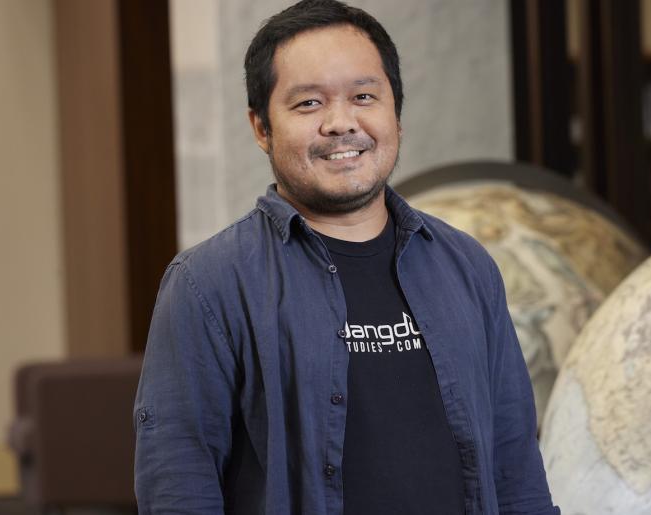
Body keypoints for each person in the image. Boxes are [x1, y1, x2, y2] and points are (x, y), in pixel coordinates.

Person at [133, 1, 560, 513]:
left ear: (395, 114)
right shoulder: (207, 284)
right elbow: (178, 486)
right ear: (261, 127)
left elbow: (515, 466)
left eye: (364, 96)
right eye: (308, 104)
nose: (341, 123)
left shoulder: (466, 266)